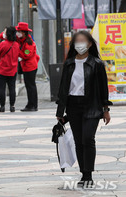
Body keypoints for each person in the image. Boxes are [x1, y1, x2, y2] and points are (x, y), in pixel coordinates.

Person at [56, 31, 112, 188]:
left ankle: (89, 173)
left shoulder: (97, 64)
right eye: (77, 41)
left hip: (92, 105)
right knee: (79, 141)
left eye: (83, 41)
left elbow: (103, 89)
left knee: (88, 138)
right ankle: (84, 173)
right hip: (73, 106)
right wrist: (60, 112)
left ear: (89, 44)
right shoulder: (68, 64)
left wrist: (105, 109)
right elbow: (63, 89)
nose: (80, 44)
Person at [0, 26, 20, 113]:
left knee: (2, 89)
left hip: (2, 70)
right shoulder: (16, 45)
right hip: (12, 70)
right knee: (12, 88)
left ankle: (2, 106)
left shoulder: (3, 44)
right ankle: (12, 106)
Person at [16, 22, 40, 112]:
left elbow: (27, 55)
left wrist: (17, 51)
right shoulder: (22, 40)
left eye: (19, 31)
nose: (17, 33)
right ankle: (31, 104)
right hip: (26, 67)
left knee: (31, 86)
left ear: (24, 33)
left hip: (30, 67)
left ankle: (33, 105)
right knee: (29, 86)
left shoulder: (29, 43)